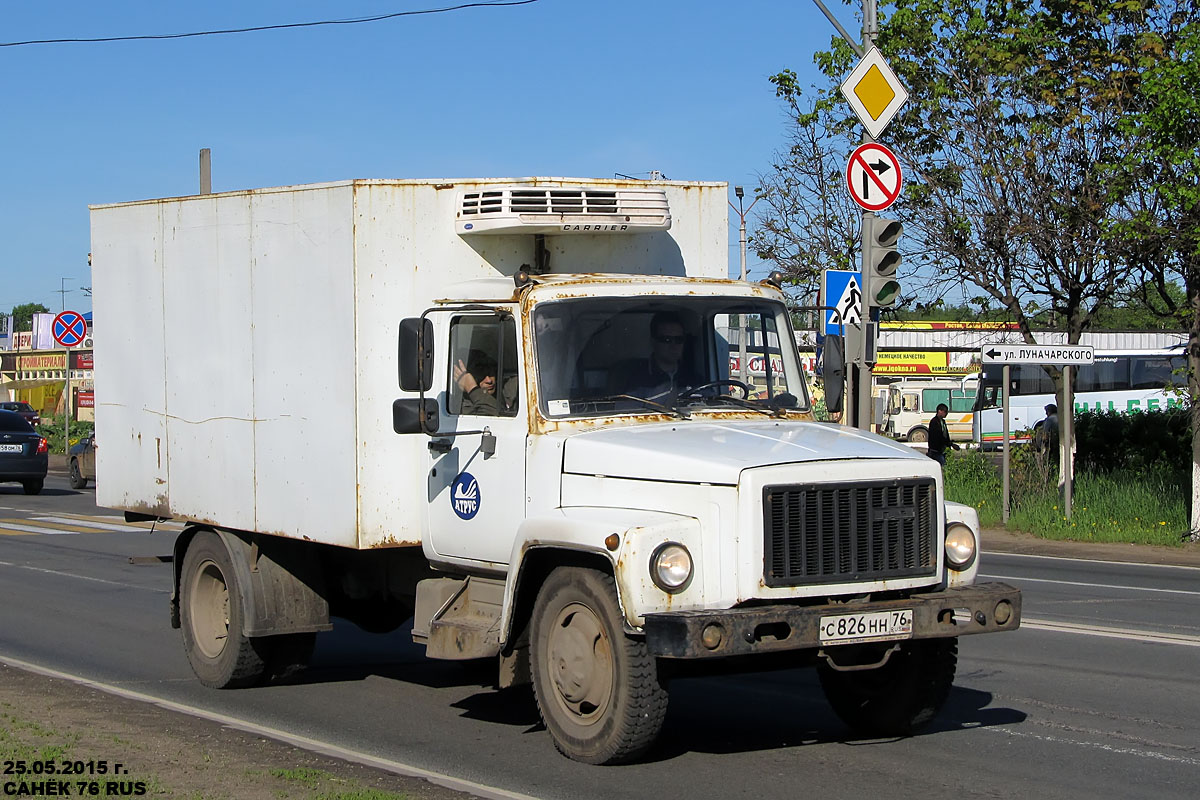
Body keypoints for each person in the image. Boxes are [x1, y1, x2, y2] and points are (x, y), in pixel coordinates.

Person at [610, 311, 703, 403]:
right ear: (653, 342)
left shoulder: (694, 378)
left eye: (679, 339)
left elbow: (712, 405)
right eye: (667, 340)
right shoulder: (636, 380)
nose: (674, 345)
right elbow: (625, 413)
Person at [453, 350, 516, 416]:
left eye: (490, 373)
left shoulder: (507, 389)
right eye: (481, 375)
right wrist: (472, 388)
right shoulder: (461, 408)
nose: (489, 381)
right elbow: (495, 415)